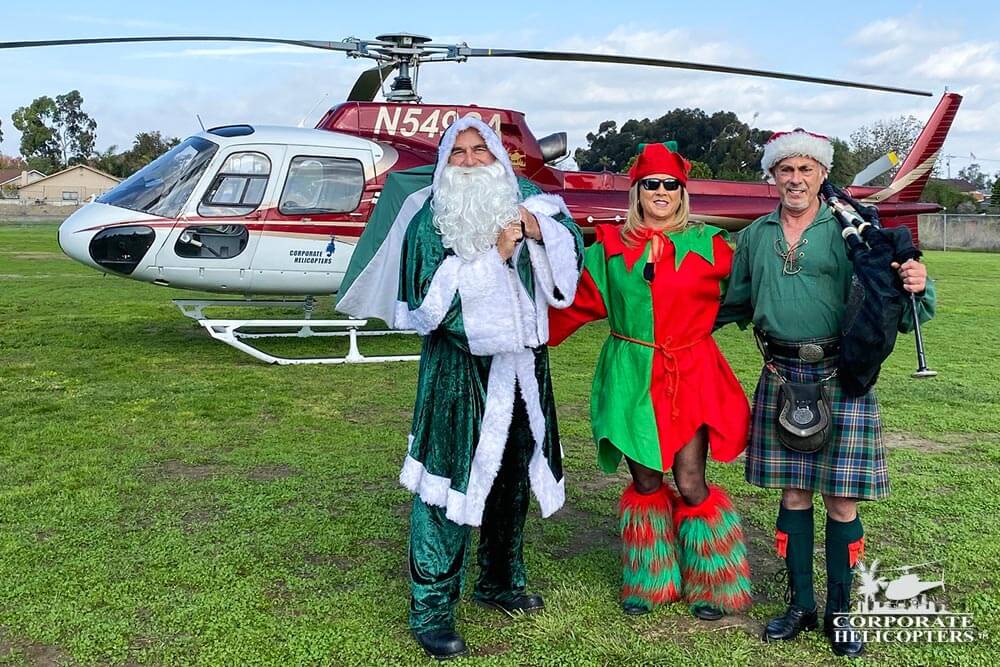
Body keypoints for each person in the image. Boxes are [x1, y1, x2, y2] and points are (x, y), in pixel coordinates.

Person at [339, 115, 583, 660]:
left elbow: (571, 248)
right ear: (445, 160)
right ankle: (431, 609)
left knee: (512, 478)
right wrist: (496, 257)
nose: (470, 161)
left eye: (481, 150)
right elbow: (430, 304)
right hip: (457, 372)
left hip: (522, 368)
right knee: (445, 486)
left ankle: (500, 580)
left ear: (498, 156)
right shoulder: (430, 219)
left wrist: (538, 230)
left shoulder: (528, 200)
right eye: (459, 152)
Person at [716, 129, 936, 657]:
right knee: (793, 495)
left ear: (821, 175)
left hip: (843, 375)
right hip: (781, 374)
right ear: (772, 176)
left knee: (841, 500)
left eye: (805, 169)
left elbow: (901, 299)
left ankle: (841, 612)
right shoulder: (756, 236)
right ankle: (800, 606)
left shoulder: (853, 229)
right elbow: (732, 302)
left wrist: (918, 283)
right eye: (785, 170)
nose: (795, 179)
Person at [548, 142, 752, 620]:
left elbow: (756, 291)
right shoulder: (609, 248)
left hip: (690, 373)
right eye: (651, 184)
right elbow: (570, 298)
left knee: (690, 478)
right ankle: (651, 578)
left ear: (682, 192)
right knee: (644, 480)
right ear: (637, 192)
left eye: (671, 185)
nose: (661, 192)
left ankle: (716, 581)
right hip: (631, 375)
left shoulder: (712, 246)